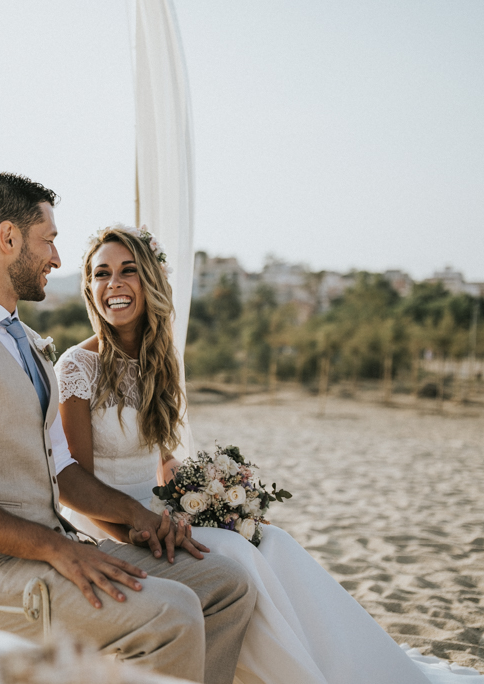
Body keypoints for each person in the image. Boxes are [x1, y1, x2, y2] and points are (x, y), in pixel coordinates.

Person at [56, 225, 477, 684]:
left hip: (161, 515)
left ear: (151, 282)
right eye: (101, 274)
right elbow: (76, 482)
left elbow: (159, 461)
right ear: (88, 287)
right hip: (108, 528)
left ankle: (337, 665)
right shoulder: (78, 368)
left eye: (127, 271)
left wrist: (222, 504)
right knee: (237, 555)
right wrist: (140, 533)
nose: (113, 284)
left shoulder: (162, 362)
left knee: (272, 542)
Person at [0, 173, 255, 684]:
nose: (57, 259)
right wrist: (59, 548)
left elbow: (63, 469)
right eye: (49, 240)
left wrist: (137, 516)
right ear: (8, 238)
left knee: (227, 582)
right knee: (172, 615)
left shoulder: (30, 345)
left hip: (52, 546)